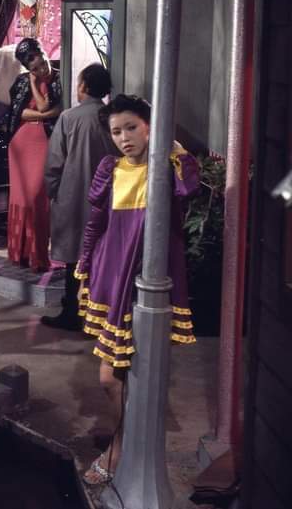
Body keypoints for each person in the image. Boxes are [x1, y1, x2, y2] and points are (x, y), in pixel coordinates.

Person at [75, 94, 198, 485]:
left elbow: (188, 189)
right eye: (116, 132)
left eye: (131, 127)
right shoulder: (109, 169)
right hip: (111, 279)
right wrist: (84, 265)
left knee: (129, 373)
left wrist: (172, 148)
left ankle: (122, 447)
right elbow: (96, 223)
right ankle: (124, 443)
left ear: (150, 127)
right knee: (112, 376)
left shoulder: (168, 168)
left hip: (148, 284)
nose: (124, 138)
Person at [40, 63, 117, 330]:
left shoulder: (69, 118)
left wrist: (53, 191)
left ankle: (72, 312)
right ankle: (102, 313)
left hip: (73, 196)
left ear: (83, 86)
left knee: (74, 257)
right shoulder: (113, 118)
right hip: (109, 198)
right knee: (103, 256)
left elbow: (54, 162)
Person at [6, 38, 62, 271]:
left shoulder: (60, 79)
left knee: (38, 197)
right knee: (21, 199)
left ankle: (38, 256)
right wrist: (45, 113)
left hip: (45, 143)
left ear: (45, 54)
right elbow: (18, 113)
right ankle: (19, 253)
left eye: (42, 63)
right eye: (35, 69)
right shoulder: (21, 82)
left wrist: (42, 112)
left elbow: (55, 109)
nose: (41, 70)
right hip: (21, 143)